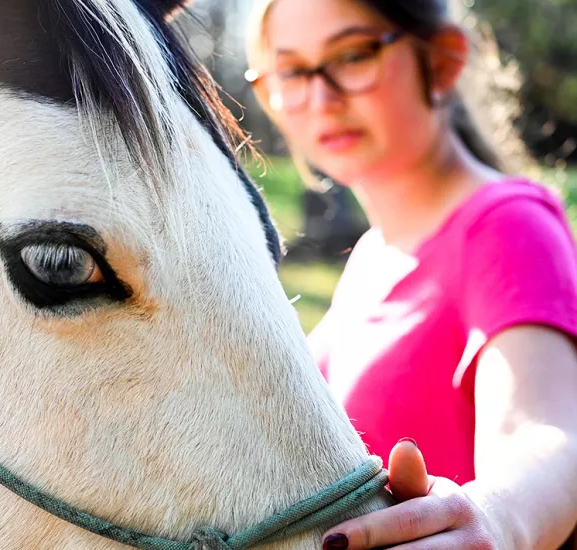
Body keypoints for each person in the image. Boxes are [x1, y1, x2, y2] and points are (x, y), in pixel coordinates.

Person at [244, 0, 577, 548]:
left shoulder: (507, 224)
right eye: (292, 73)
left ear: (443, 61)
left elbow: (546, 434)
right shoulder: (370, 256)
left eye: (352, 56)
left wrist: (495, 519)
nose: (321, 99)